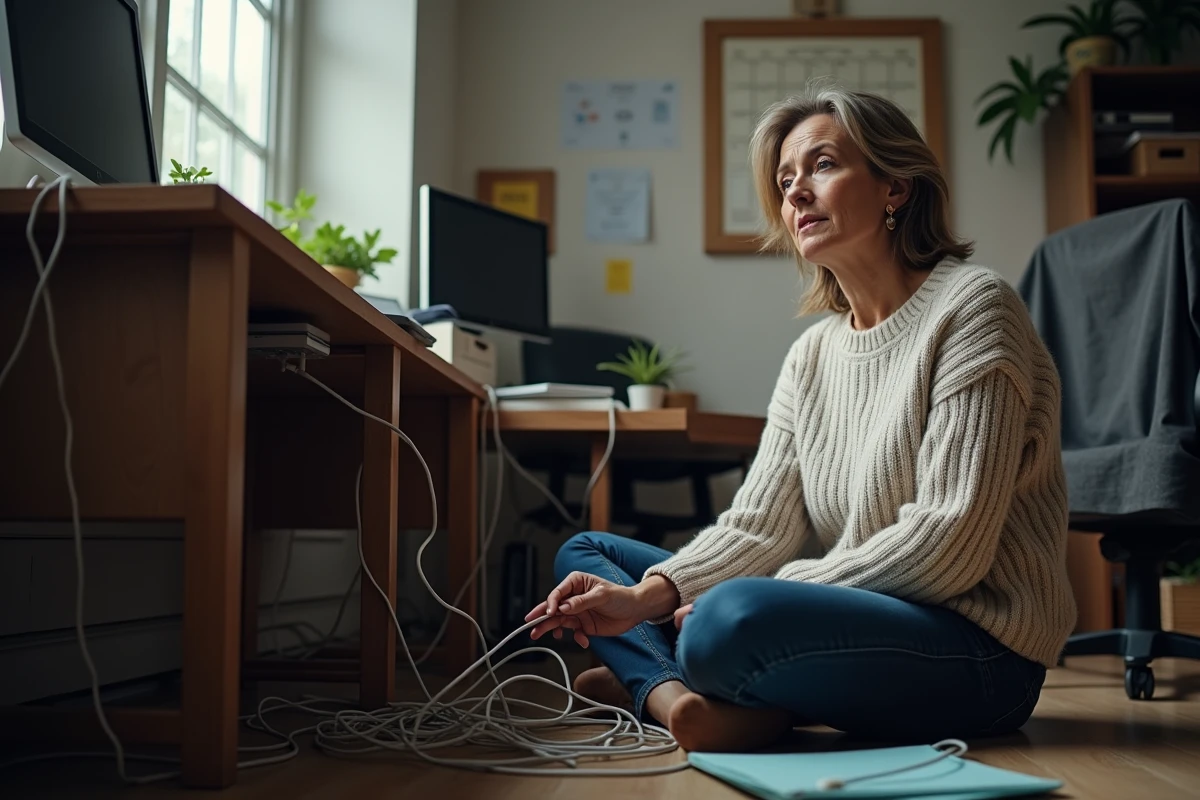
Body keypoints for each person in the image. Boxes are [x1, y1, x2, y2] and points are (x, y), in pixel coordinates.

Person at [524, 83, 1077, 753]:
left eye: (822, 165)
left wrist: (771, 590)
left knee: (729, 617)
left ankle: (677, 683)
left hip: (979, 652)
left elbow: (949, 540)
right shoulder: (811, 355)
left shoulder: (974, 307)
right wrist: (650, 597)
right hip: (866, 618)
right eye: (785, 180)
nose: (795, 194)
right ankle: (682, 703)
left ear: (894, 186)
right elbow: (759, 526)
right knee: (589, 558)